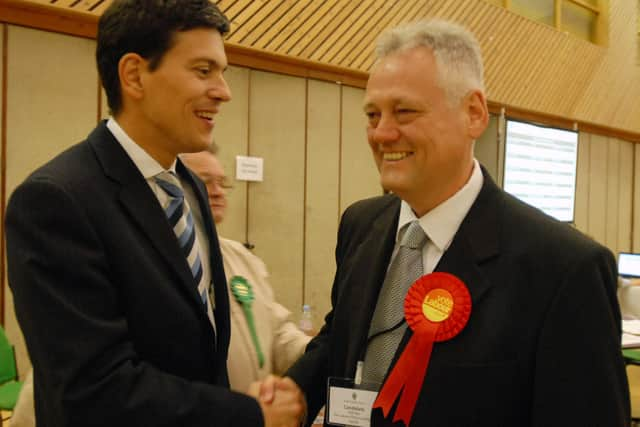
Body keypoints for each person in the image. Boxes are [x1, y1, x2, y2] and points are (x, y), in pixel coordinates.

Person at [283, 20, 630, 426]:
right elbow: (342, 335)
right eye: (373, 114)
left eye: (405, 111)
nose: (382, 133)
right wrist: (292, 392)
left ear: (474, 113)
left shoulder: (564, 268)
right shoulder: (361, 225)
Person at [5, 1, 303, 426]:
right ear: (134, 75)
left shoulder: (188, 188)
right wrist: (247, 414)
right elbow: (92, 389)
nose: (223, 91)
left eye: (223, 73)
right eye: (203, 71)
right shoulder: (57, 202)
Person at [180, 146, 312, 393]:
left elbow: (279, 334)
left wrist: (320, 351)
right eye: (205, 182)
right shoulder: (161, 259)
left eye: (222, 183)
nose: (218, 192)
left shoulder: (243, 259)